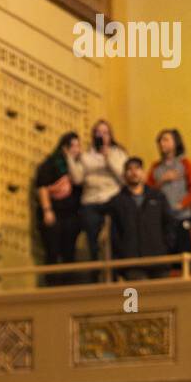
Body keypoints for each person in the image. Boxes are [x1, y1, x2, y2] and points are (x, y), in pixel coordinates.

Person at [106, 156, 175, 279]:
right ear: (124, 174)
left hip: (159, 260)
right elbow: (114, 235)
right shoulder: (117, 202)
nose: (134, 172)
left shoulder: (158, 197)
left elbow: (169, 224)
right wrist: (122, 255)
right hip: (132, 263)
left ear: (143, 172)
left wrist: (165, 248)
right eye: (130, 169)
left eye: (137, 168)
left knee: (162, 297)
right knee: (137, 298)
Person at [34, 131, 84, 284]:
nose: (77, 149)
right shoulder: (51, 163)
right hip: (54, 213)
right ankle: (52, 286)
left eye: (78, 145)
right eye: (73, 146)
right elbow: (42, 187)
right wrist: (47, 210)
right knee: (52, 251)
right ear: (64, 147)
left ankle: (69, 285)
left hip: (71, 215)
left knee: (69, 252)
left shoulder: (79, 165)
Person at [79, 119, 128, 270]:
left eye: (105, 132)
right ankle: (95, 269)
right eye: (98, 132)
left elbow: (124, 178)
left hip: (112, 198)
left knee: (115, 236)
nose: (102, 135)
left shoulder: (119, 153)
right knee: (92, 236)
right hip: (91, 200)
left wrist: (109, 159)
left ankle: (116, 270)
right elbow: (80, 178)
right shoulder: (86, 156)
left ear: (110, 135)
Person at [146, 130, 191, 254]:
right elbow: (147, 191)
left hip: (182, 216)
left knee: (184, 252)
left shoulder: (186, 164)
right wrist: (162, 181)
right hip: (162, 219)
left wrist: (181, 204)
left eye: (165, 140)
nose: (161, 143)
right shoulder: (155, 167)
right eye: (159, 141)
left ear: (175, 142)